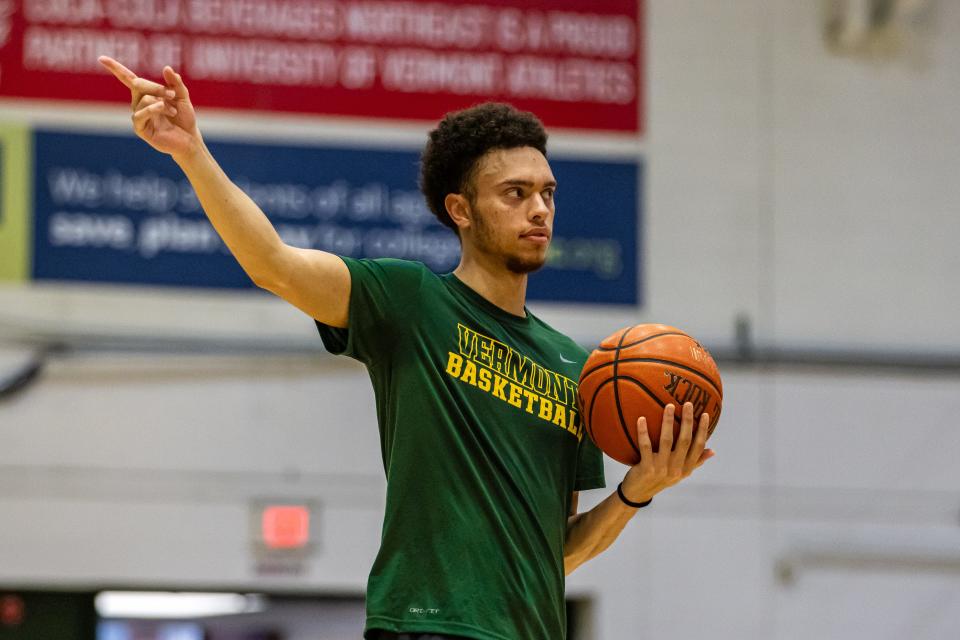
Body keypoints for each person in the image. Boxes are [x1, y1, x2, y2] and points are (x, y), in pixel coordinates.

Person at [99, 57, 716, 640]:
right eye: (515, 193)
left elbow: (556, 550)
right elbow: (274, 265)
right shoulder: (412, 300)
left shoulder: (578, 369)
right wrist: (192, 152)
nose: (539, 210)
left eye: (547, 193)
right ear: (461, 210)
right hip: (425, 623)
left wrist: (638, 489)